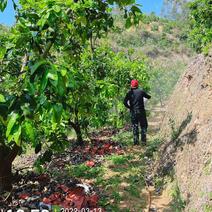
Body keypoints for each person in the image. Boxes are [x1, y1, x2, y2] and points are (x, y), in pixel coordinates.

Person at [124, 79, 151, 145]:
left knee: (135, 126)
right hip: (141, 111)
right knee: (144, 125)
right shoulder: (141, 91)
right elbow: (148, 97)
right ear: (137, 85)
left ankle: (136, 142)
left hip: (133, 112)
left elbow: (124, 102)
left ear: (131, 85)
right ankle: (143, 141)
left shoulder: (129, 93)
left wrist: (129, 107)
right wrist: (148, 96)